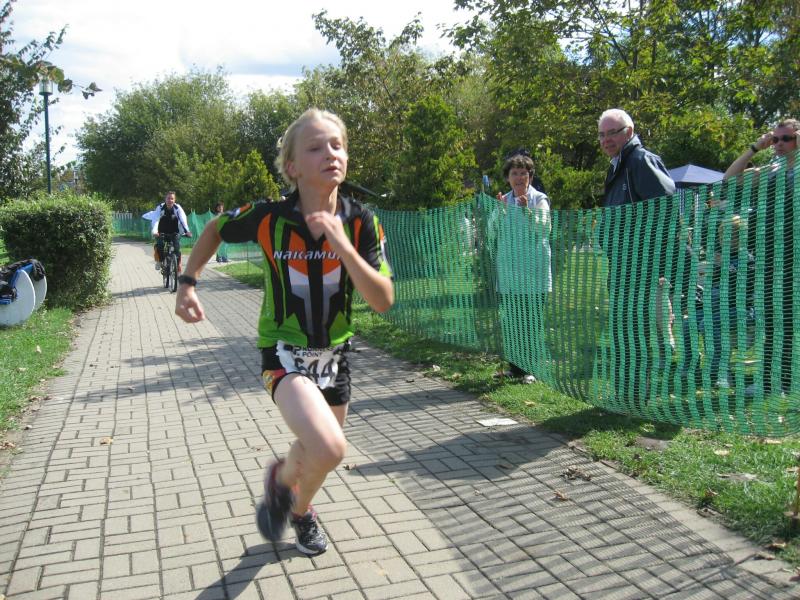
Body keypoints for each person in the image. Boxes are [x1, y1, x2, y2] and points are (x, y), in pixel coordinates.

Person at [174, 109, 394, 556]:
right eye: (315, 147)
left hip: (335, 355)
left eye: (337, 145)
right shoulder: (269, 217)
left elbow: (382, 300)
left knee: (317, 452)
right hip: (284, 351)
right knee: (329, 448)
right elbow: (215, 228)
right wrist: (188, 282)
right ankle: (294, 502)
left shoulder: (362, 221)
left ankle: (292, 498)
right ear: (292, 167)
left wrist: (343, 245)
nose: (330, 154)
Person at [597, 109, 676, 409]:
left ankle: (635, 396)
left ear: (628, 132)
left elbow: (665, 209)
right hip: (621, 266)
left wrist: (656, 260)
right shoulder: (617, 166)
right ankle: (626, 395)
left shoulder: (641, 160)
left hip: (641, 268)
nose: (606, 140)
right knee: (623, 331)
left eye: (612, 133)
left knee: (635, 331)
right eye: (602, 135)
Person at [724, 118, 798, 395]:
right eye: (776, 139)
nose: (779, 144)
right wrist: (755, 148)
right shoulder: (772, 171)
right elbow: (729, 180)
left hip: (794, 258)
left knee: (786, 322)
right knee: (774, 322)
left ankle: (779, 382)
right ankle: (772, 382)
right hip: (771, 259)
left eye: (787, 138)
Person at [492, 152, 552, 384]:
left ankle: (532, 369)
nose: (519, 178)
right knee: (513, 322)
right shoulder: (503, 201)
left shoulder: (539, 200)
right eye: (514, 173)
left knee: (531, 322)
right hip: (509, 274)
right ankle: (515, 368)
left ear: (530, 177)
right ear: (508, 178)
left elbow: (544, 230)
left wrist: (527, 211)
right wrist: (500, 211)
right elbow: (491, 232)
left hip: (534, 274)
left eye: (523, 173)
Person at [152, 191, 191, 271]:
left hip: (174, 232)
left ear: (174, 200)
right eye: (168, 198)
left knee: (177, 248)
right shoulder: (160, 208)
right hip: (161, 232)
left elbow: (183, 220)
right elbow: (156, 220)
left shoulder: (177, 208)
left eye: (172, 199)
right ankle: (159, 260)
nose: (170, 200)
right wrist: (155, 231)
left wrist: (187, 231)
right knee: (160, 245)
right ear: (165, 199)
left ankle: (177, 265)